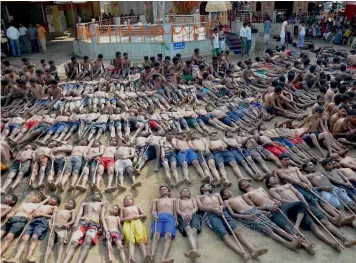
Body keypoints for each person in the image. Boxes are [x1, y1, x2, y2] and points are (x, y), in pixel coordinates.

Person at [196, 183, 268, 261]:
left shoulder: (216, 194)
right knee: (224, 234)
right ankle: (242, 253)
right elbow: (201, 207)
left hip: (222, 212)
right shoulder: (199, 197)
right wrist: (213, 209)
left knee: (237, 229)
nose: (210, 185)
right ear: (202, 189)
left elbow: (223, 203)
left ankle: (252, 250)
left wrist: (221, 207)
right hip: (210, 215)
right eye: (208, 185)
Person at [220, 187, 305, 251]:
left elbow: (251, 206)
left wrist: (262, 212)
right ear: (223, 196)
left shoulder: (240, 196)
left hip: (254, 211)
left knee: (273, 225)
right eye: (226, 192)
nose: (228, 191)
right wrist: (246, 217)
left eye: (228, 190)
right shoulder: (226, 202)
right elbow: (233, 214)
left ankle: (292, 238)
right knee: (266, 229)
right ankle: (286, 243)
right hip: (246, 214)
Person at [62, 185, 107, 263]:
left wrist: (102, 228)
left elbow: (102, 216)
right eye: (94, 193)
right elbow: (79, 214)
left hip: (94, 224)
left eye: (97, 194)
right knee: (73, 243)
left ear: (101, 197)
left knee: (87, 241)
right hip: (82, 223)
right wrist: (75, 223)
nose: (95, 194)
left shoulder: (102, 204)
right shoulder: (84, 203)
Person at [11, 195, 60, 263]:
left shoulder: (54, 207)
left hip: (42, 221)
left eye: (54, 199)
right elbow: (33, 211)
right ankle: (16, 258)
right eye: (51, 198)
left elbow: (54, 216)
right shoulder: (41, 205)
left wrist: (41, 214)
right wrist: (30, 215)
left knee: (34, 238)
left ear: (57, 203)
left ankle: (28, 258)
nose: (51, 199)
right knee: (24, 238)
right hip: (32, 220)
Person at [0, 191, 51, 257]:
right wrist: (11, 213)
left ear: (40, 201)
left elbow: (48, 198)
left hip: (21, 219)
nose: (36, 198)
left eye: (38, 198)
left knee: (9, 237)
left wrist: (44, 195)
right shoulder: (25, 203)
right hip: (12, 218)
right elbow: (16, 210)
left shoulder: (38, 205)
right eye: (35, 196)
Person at [149, 186, 177, 263]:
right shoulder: (156, 200)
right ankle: (152, 256)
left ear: (169, 191)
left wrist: (176, 219)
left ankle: (163, 258)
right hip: (159, 217)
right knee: (156, 235)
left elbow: (174, 210)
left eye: (164, 189)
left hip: (170, 217)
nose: (162, 190)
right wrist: (154, 215)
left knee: (169, 235)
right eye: (161, 189)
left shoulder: (173, 199)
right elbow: (154, 210)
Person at [120, 195, 148, 262]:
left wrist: (138, 216)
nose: (128, 200)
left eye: (129, 199)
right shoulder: (123, 208)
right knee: (129, 239)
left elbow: (144, 215)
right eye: (126, 199)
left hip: (137, 222)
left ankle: (144, 255)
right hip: (127, 223)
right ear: (124, 202)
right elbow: (121, 219)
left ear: (133, 202)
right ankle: (131, 257)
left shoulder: (136, 206)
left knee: (140, 238)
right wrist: (125, 218)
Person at [176, 188, 202, 259]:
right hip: (183, 216)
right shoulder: (178, 200)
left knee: (194, 231)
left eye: (187, 191)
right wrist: (182, 214)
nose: (185, 192)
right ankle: (195, 250)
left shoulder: (192, 199)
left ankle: (194, 250)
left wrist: (191, 213)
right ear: (181, 194)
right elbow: (177, 209)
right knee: (188, 230)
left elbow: (196, 207)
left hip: (194, 215)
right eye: (183, 191)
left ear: (189, 194)